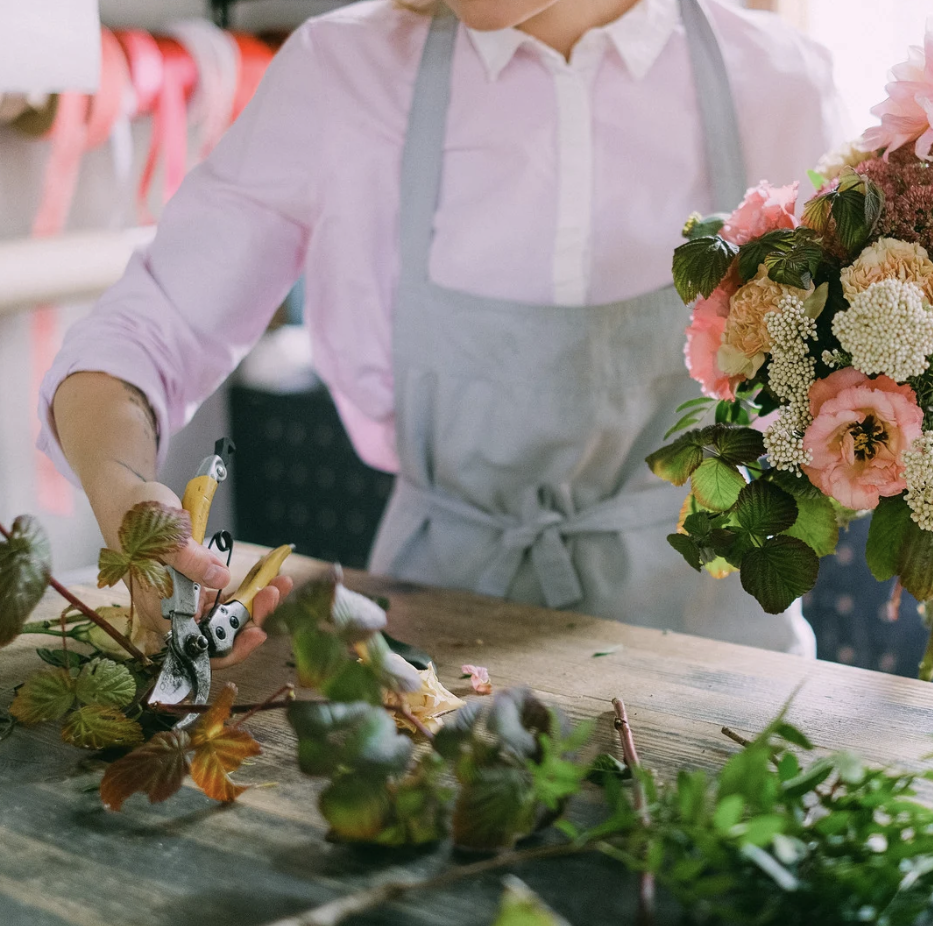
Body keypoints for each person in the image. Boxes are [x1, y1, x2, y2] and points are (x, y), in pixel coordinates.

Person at [41, 0, 846, 667]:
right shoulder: (341, 74)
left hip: (726, 671)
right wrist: (125, 493)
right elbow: (143, 333)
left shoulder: (782, 84)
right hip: (436, 661)